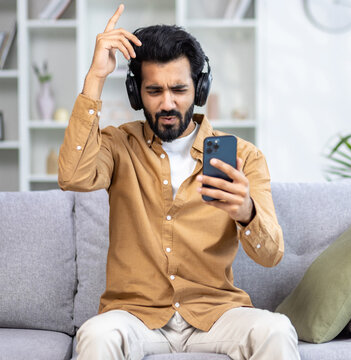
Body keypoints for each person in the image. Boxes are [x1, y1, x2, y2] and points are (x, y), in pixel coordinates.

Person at [58, 4, 300, 360]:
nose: (167, 103)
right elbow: (72, 176)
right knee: (96, 334)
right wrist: (95, 77)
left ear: (199, 89)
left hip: (215, 314)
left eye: (179, 89)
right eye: (154, 91)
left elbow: (271, 255)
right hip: (136, 317)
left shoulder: (245, 157)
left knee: (276, 329)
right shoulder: (118, 145)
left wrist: (247, 212)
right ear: (135, 94)